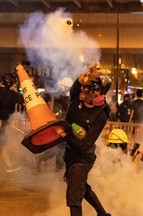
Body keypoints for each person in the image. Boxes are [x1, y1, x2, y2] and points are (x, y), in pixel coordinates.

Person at [56, 65, 112, 216]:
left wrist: (64, 136)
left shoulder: (101, 114)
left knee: (74, 195)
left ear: (98, 93)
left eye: (88, 89)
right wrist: (85, 76)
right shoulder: (76, 100)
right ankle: (103, 214)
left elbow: (85, 143)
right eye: (84, 88)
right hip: (70, 154)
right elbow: (76, 86)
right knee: (82, 187)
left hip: (83, 157)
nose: (84, 91)